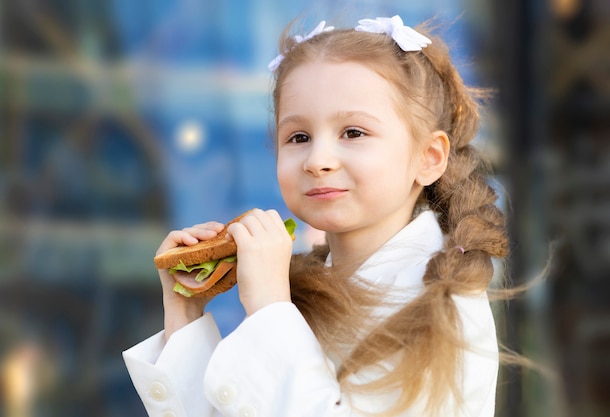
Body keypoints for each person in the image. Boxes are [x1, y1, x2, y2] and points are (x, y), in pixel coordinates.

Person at [123, 14, 509, 417]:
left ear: (428, 159)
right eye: (299, 137)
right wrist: (185, 316)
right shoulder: (306, 290)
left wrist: (271, 308)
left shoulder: (441, 305)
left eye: (353, 133)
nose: (318, 160)